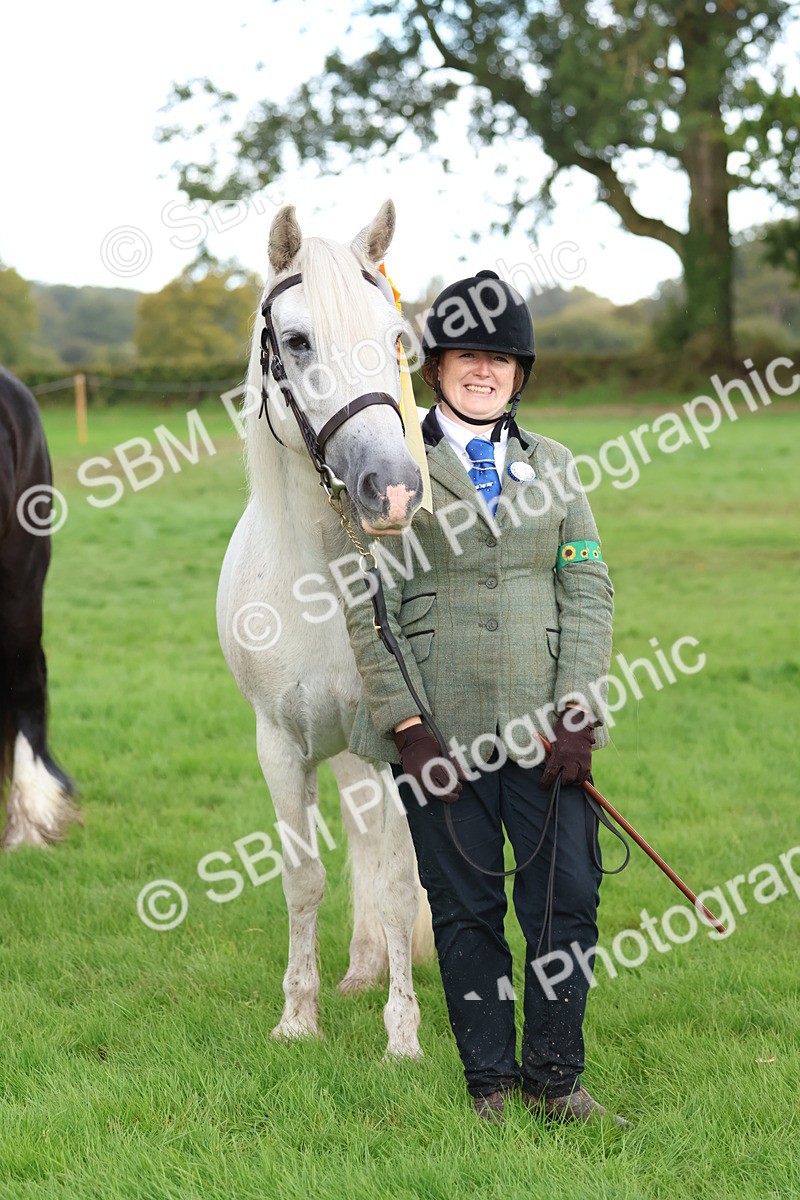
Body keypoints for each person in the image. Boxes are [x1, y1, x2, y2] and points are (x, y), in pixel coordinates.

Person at [343, 269, 621, 1124]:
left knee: (566, 902)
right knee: (465, 912)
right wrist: (407, 725)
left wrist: (577, 710)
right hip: (439, 734)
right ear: (436, 368)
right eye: (467, 356)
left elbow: (588, 585)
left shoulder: (560, 467)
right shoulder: (396, 467)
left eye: (500, 359)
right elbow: (365, 603)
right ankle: (491, 1087)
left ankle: (555, 1079)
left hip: (544, 736)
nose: (484, 371)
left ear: (519, 373)